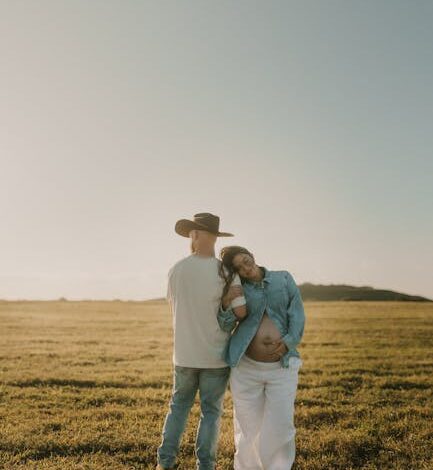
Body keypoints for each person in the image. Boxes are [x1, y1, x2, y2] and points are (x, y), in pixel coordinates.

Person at [157, 213, 246, 470]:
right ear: (215, 237)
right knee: (211, 412)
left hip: (184, 355)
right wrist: (225, 302)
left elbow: (174, 307)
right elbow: (241, 313)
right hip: (216, 356)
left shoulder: (176, 270)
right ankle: (206, 466)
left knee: (178, 408)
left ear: (195, 235)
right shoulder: (226, 272)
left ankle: (165, 463)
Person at [217, 245, 306, 470]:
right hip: (246, 368)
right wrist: (226, 303)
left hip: (282, 367)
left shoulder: (283, 278)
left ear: (252, 256)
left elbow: (297, 312)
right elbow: (226, 325)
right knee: (247, 426)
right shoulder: (238, 289)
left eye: (246, 261)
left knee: (281, 424)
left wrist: (289, 342)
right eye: (239, 268)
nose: (245, 268)